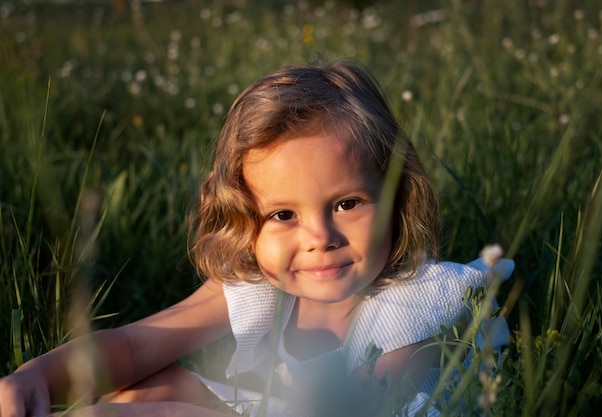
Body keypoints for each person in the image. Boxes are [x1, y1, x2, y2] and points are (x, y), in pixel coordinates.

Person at [0, 60, 513, 417]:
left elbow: (353, 408)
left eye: (347, 204)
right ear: (246, 222)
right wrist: (36, 376)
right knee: (141, 391)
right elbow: (136, 344)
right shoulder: (265, 286)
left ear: (398, 199)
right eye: (283, 214)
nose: (320, 237)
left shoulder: (415, 304)